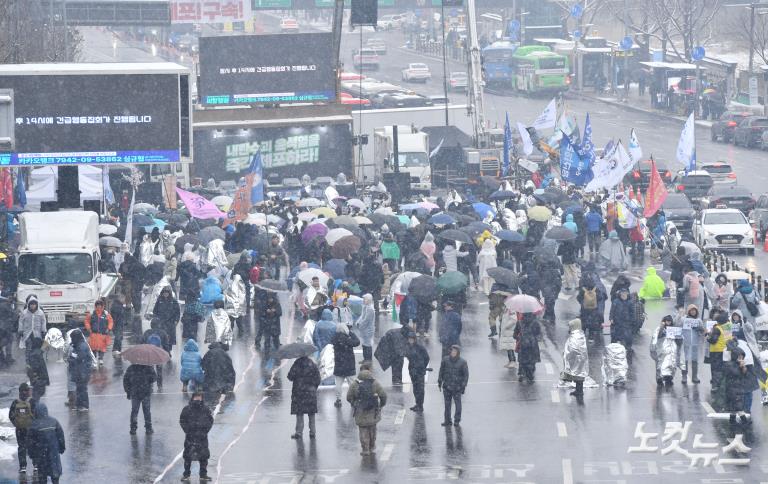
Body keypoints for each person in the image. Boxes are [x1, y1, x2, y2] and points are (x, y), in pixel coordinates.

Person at [346, 360, 387, 456]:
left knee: (363, 430)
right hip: (373, 410)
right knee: (372, 429)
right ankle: (372, 447)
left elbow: (348, 397)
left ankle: (365, 449)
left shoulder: (355, 384)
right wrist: (381, 405)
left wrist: (354, 403)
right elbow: (383, 395)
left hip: (360, 411)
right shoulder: (375, 383)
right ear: (369, 371)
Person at [179, 391, 214, 481]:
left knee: (203, 456)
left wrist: (205, 431)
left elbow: (210, 421)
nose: (198, 399)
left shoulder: (205, 409)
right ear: (193, 398)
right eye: (196, 397)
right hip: (190, 436)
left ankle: (203, 474)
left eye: (199, 397)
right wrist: (187, 430)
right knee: (188, 456)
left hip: (202, 437)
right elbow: (182, 420)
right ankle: (186, 474)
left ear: (202, 398)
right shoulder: (187, 409)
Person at [28, 403, 65, 484]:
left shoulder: (34, 425)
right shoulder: (54, 421)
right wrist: (62, 447)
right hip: (53, 453)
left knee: (42, 474)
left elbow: (30, 442)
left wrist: (31, 454)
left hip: (41, 454)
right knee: (55, 473)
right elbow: (60, 435)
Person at [287, 355, 321, 439]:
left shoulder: (297, 363)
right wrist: (313, 387)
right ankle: (312, 432)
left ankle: (299, 432)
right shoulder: (312, 364)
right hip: (311, 393)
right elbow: (318, 379)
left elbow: (290, 376)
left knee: (299, 413)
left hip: (299, 393)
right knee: (311, 413)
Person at [438, 345, 468, 426]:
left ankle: (457, 420)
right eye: (452, 351)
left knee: (458, 405)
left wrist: (463, 386)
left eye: (455, 351)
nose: (453, 352)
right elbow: (441, 371)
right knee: (447, 405)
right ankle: (447, 420)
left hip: (457, 387)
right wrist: (439, 381)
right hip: (447, 386)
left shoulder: (463, 362)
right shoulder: (445, 359)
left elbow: (466, 376)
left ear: (458, 353)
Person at [123, 363, 157, 435]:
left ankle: (133, 428)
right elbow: (154, 378)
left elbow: (125, 380)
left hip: (135, 393)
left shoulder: (131, 368)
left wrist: (128, 392)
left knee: (134, 411)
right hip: (145, 392)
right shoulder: (148, 367)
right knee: (147, 411)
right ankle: (148, 428)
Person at [331, 322, 360, 408]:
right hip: (349, 364)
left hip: (339, 364)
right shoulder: (348, 339)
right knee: (351, 383)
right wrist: (350, 332)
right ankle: (353, 399)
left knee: (338, 384)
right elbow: (357, 342)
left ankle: (338, 399)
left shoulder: (335, 338)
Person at [9, 383, 34, 473]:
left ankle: (23, 466)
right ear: (24, 391)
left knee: (21, 447)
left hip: (19, 430)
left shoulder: (15, 402)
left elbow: (10, 416)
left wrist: (17, 424)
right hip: (30, 429)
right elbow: (35, 415)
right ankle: (35, 465)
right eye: (28, 390)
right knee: (32, 445)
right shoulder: (31, 402)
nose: (29, 392)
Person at [706, 313, 731, 403]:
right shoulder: (727, 327)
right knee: (724, 369)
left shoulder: (717, 328)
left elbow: (713, 340)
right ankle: (723, 385)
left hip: (716, 351)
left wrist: (707, 336)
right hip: (726, 350)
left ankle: (716, 386)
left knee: (716, 369)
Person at [724, 342, 750, 424]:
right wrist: (740, 366)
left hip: (738, 387)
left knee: (733, 405)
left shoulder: (739, 364)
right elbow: (734, 373)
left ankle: (732, 420)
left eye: (742, 357)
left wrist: (743, 367)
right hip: (732, 388)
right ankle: (744, 421)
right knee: (738, 405)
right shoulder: (730, 364)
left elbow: (745, 374)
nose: (741, 358)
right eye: (739, 357)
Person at [562, 319, 588, 398]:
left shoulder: (575, 336)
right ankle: (578, 390)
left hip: (576, 358)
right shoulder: (580, 334)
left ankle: (579, 391)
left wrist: (567, 355)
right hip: (580, 358)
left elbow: (573, 348)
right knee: (579, 375)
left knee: (578, 374)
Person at [677, 304, 704, 384]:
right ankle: (684, 376)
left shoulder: (699, 320)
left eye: (694, 310)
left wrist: (699, 329)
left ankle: (694, 376)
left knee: (694, 360)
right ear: (688, 311)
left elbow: (703, 331)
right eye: (691, 310)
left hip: (695, 344)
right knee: (684, 360)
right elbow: (678, 326)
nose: (693, 312)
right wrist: (679, 315)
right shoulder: (683, 319)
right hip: (686, 343)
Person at [651, 315, 680, 387]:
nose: (668, 323)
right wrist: (661, 327)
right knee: (660, 365)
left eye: (670, 321)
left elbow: (678, 338)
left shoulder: (673, 329)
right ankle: (659, 379)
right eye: (667, 321)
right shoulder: (659, 328)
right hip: (661, 349)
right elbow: (657, 336)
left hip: (671, 349)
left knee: (672, 364)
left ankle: (669, 378)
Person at [68, 329, 93, 411]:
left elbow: (80, 358)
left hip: (82, 371)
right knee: (79, 389)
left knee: (82, 389)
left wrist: (71, 358)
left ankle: (85, 406)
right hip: (80, 371)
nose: (71, 340)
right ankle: (79, 405)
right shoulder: (78, 344)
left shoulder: (81, 346)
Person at [405, 331, 430, 412]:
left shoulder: (420, 348)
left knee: (420, 389)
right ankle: (417, 404)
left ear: (415, 339)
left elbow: (427, 358)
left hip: (419, 371)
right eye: (409, 339)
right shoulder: (408, 347)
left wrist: (422, 366)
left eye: (412, 339)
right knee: (415, 388)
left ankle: (420, 405)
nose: (411, 340)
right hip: (412, 371)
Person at [84, 299, 113, 366]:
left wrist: (109, 328)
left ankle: (101, 359)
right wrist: (89, 328)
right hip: (94, 334)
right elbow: (86, 321)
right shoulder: (91, 314)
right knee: (93, 348)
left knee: (102, 347)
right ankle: (94, 359)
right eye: (98, 305)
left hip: (103, 334)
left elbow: (111, 321)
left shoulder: (106, 314)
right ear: (96, 306)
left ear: (102, 306)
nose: (99, 307)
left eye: (100, 305)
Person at [152, 286, 180, 353]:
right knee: (162, 336)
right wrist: (157, 318)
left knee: (170, 338)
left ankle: (168, 350)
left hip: (171, 323)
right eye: (164, 293)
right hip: (161, 322)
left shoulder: (173, 301)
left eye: (167, 293)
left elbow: (177, 312)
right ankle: (162, 350)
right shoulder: (159, 301)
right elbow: (155, 311)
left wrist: (176, 320)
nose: (165, 294)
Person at [514, 313, 541, 383]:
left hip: (523, 345)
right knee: (531, 361)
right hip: (533, 345)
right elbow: (539, 334)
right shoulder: (535, 323)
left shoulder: (519, 322)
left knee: (522, 360)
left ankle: (522, 373)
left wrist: (520, 337)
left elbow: (514, 335)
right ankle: (530, 375)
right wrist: (534, 338)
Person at [355, 294, 376, 361]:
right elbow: (362, 316)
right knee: (364, 344)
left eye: (365, 299)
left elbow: (366, 320)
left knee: (367, 345)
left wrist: (360, 326)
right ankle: (365, 359)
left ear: (369, 300)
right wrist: (358, 322)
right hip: (364, 330)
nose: (363, 300)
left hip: (368, 330)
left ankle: (368, 360)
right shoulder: (365, 307)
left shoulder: (370, 309)